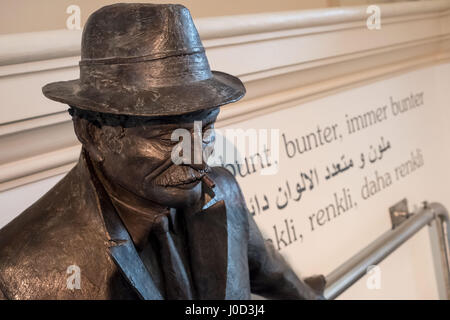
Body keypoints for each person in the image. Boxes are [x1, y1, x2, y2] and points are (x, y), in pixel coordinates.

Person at [0, 3, 325, 300]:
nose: (198, 159)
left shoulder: (222, 191)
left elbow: (275, 276)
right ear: (93, 133)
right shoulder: (20, 272)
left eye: (207, 129)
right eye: (169, 137)